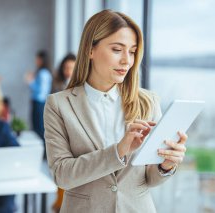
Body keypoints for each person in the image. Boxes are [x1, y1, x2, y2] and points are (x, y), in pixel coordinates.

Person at [43, 10, 188, 213]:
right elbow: (62, 176)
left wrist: (166, 165)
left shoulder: (148, 102)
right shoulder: (59, 105)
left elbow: (148, 178)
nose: (126, 61)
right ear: (90, 50)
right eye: (117, 49)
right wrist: (118, 150)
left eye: (132, 51)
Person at [50, 53, 76, 213]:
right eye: (66, 68)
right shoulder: (57, 87)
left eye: (72, 68)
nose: (69, 71)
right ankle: (60, 205)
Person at [25, 50, 52, 142]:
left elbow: (41, 90)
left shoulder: (43, 73)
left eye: (37, 59)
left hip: (39, 102)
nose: (36, 61)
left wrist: (30, 81)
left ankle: (43, 149)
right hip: (39, 102)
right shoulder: (43, 72)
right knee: (37, 126)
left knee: (38, 127)